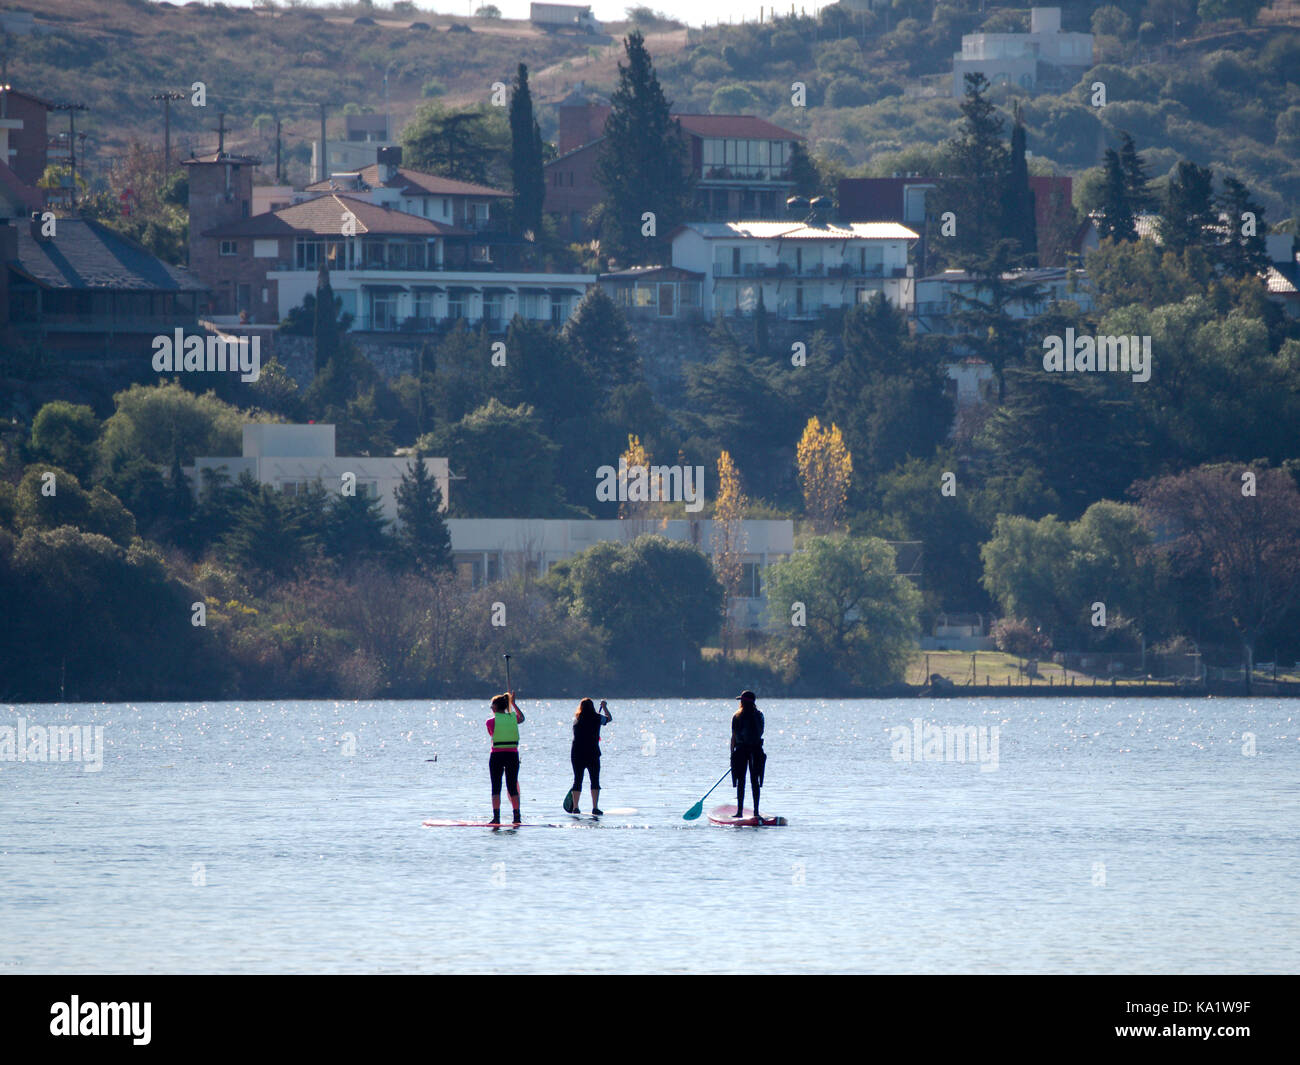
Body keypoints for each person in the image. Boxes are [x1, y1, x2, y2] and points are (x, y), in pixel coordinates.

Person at [486, 691, 525, 825]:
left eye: (492, 706)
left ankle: (496, 818)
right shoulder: (513, 718)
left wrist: (510, 704)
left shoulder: (490, 722)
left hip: (497, 755)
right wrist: (513, 704)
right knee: (512, 787)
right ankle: (517, 817)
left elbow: (492, 733)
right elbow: (522, 718)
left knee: (496, 787)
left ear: (495, 708)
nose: (491, 708)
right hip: (512, 755)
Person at [569, 698, 612, 815]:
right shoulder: (598, 718)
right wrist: (604, 707)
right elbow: (609, 719)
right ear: (593, 707)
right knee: (595, 780)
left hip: (577, 753)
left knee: (577, 780)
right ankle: (595, 807)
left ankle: (575, 808)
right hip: (592, 753)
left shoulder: (576, 719)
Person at [731, 690, 766, 819]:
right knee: (755, 781)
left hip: (741, 751)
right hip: (756, 750)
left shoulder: (736, 716)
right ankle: (756, 811)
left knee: (741, 781)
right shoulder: (760, 715)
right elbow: (761, 732)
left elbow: (733, 737)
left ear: (742, 702)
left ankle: (739, 812)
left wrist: (731, 755)